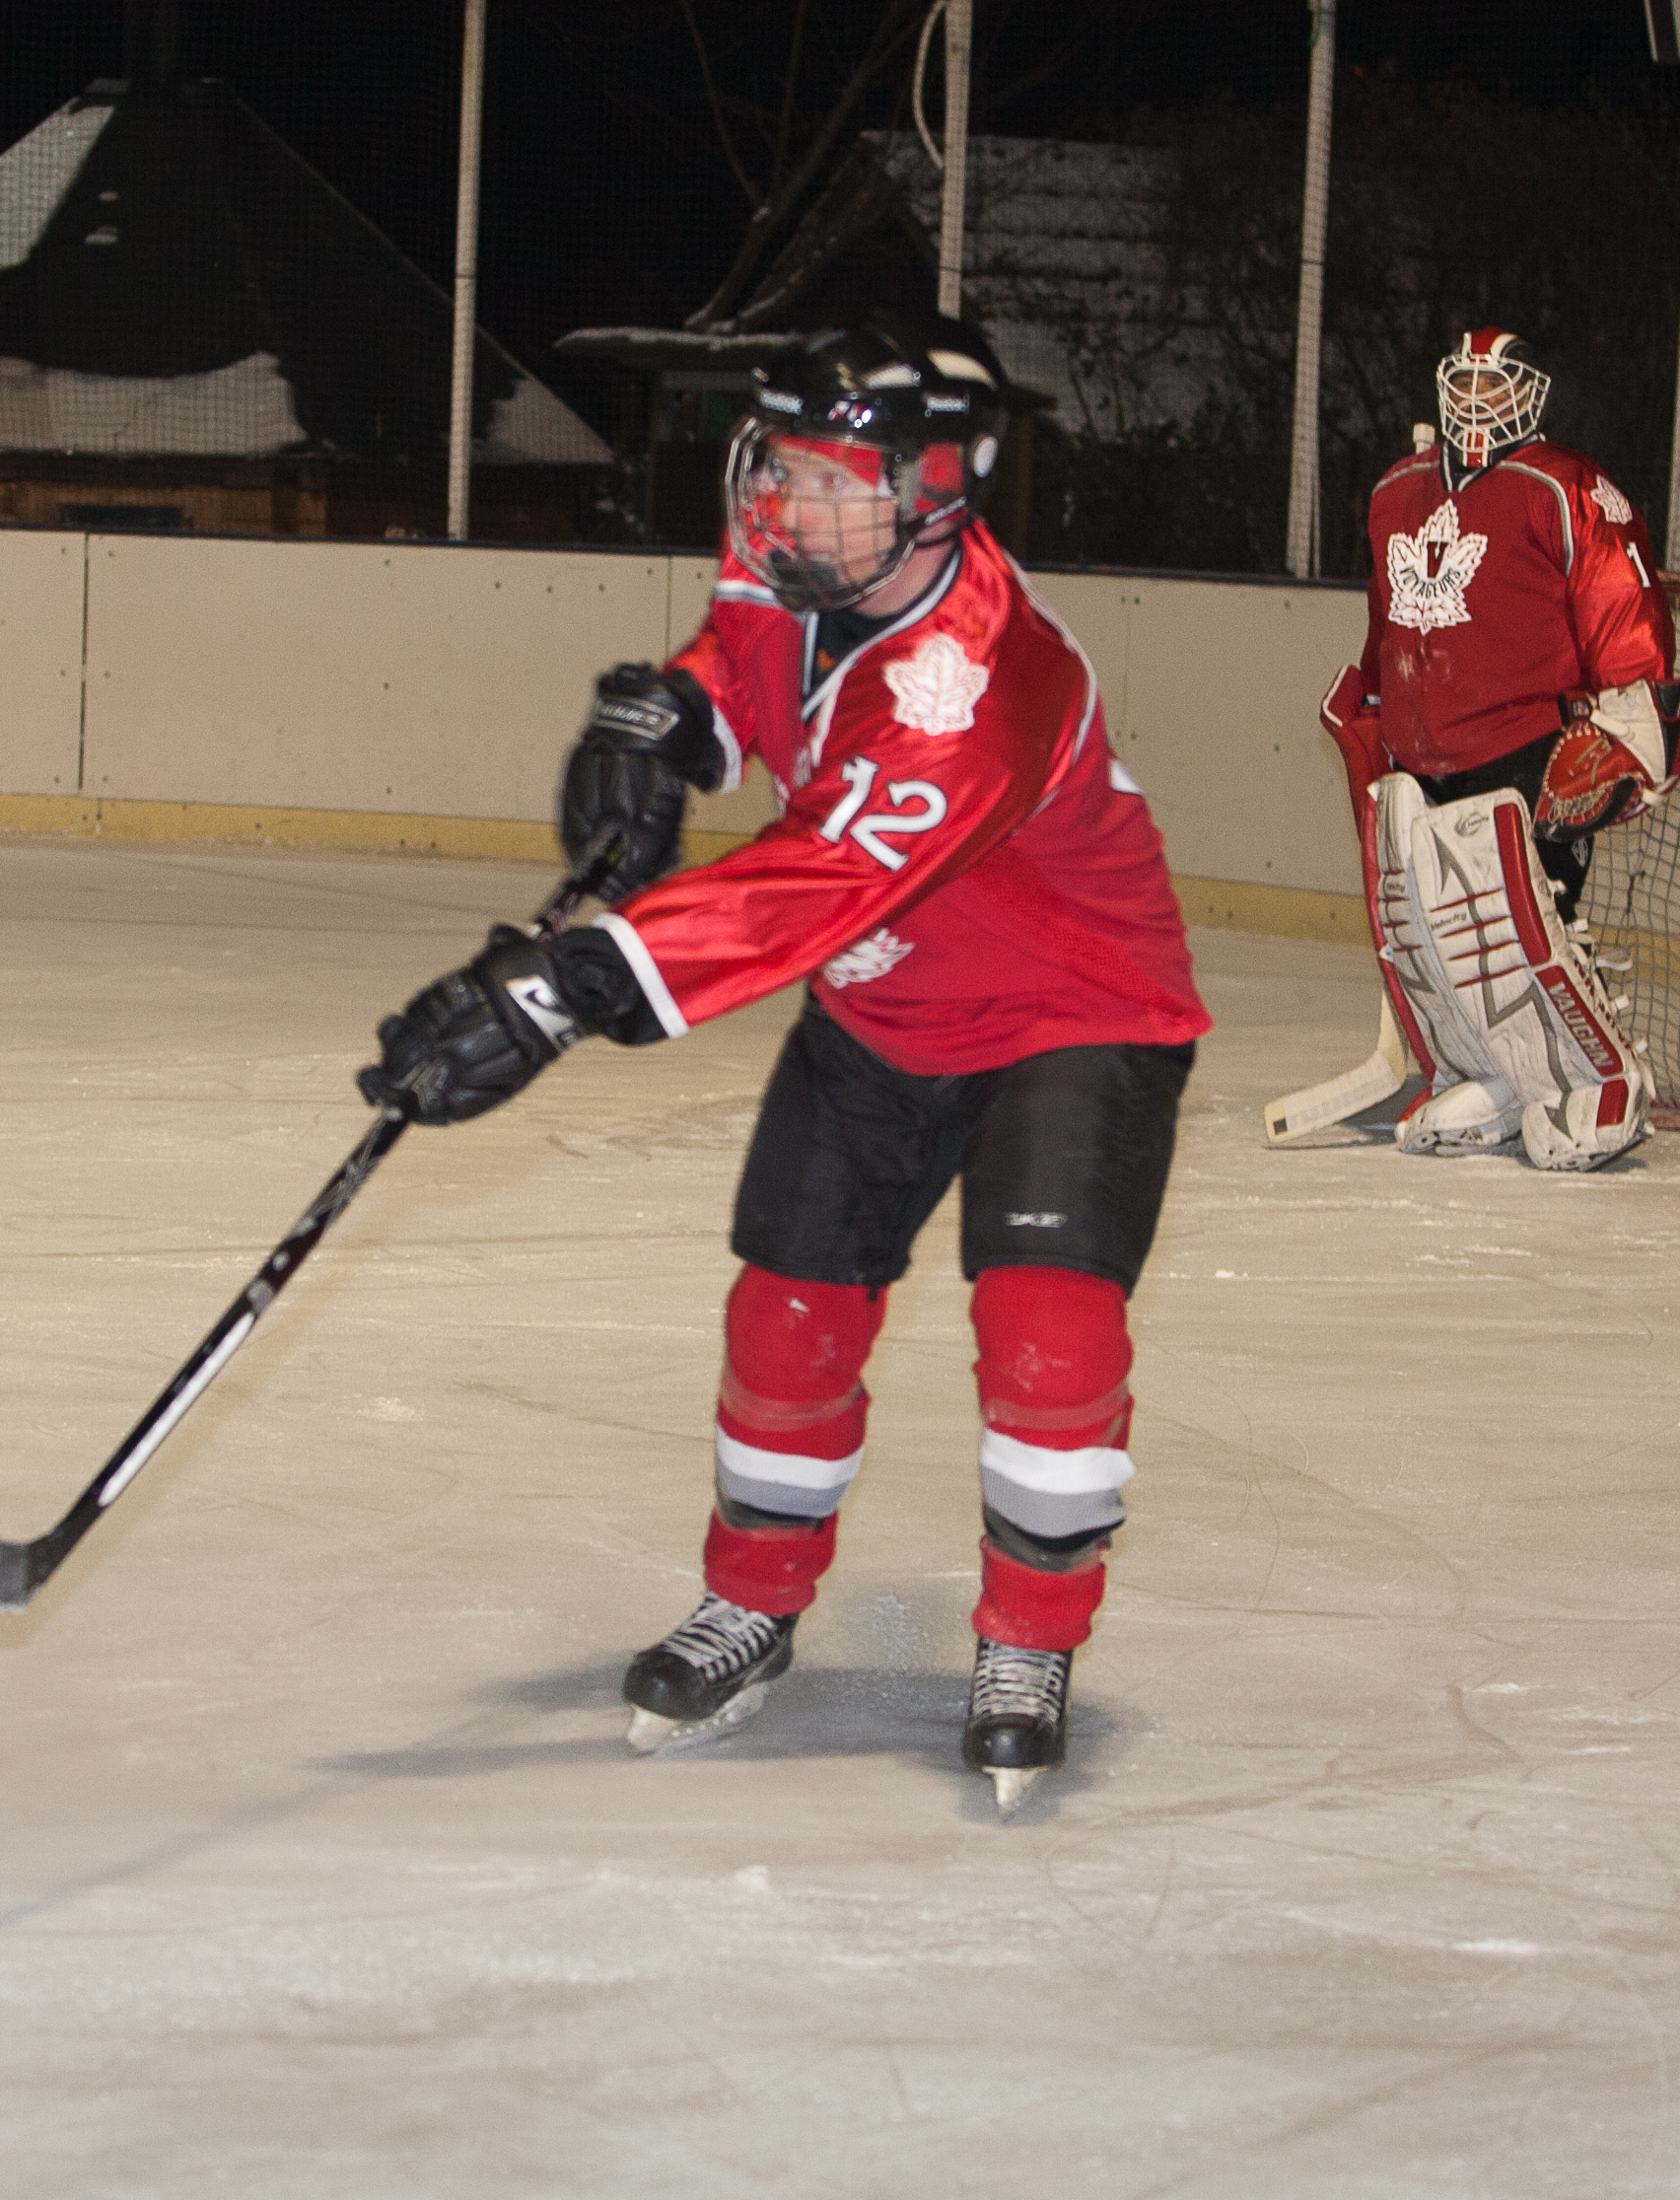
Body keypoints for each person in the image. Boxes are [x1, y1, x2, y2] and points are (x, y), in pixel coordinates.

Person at [358, 315, 1209, 1813]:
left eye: (836, 480)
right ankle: (750, 1600)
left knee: (1047, 1331)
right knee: (787, 1319)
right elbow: (744, 656)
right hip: (884, 1014)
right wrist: (673, 720)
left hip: (1073, 1016)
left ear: (941, 486)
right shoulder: (799, 557)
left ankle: (1031, 1635)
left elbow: (818, 878)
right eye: (785, 469)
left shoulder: (974, 680)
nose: (792, 506)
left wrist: (562, 989)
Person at [1278, 330, 1680, 1170]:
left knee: (1526, 934)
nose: (1477, 401)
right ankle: (1491, 1076)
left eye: (1495, 387)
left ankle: (1604, 1083)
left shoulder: (1563, 485)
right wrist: (1374, 704)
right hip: (1423, 755)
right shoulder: (1396, 489)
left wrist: (1633, 723)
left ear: (1529, 396)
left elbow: (1621, 603)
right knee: (1434, 939)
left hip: (1525, 747)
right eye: (1465, 382)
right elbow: (1391, 616)